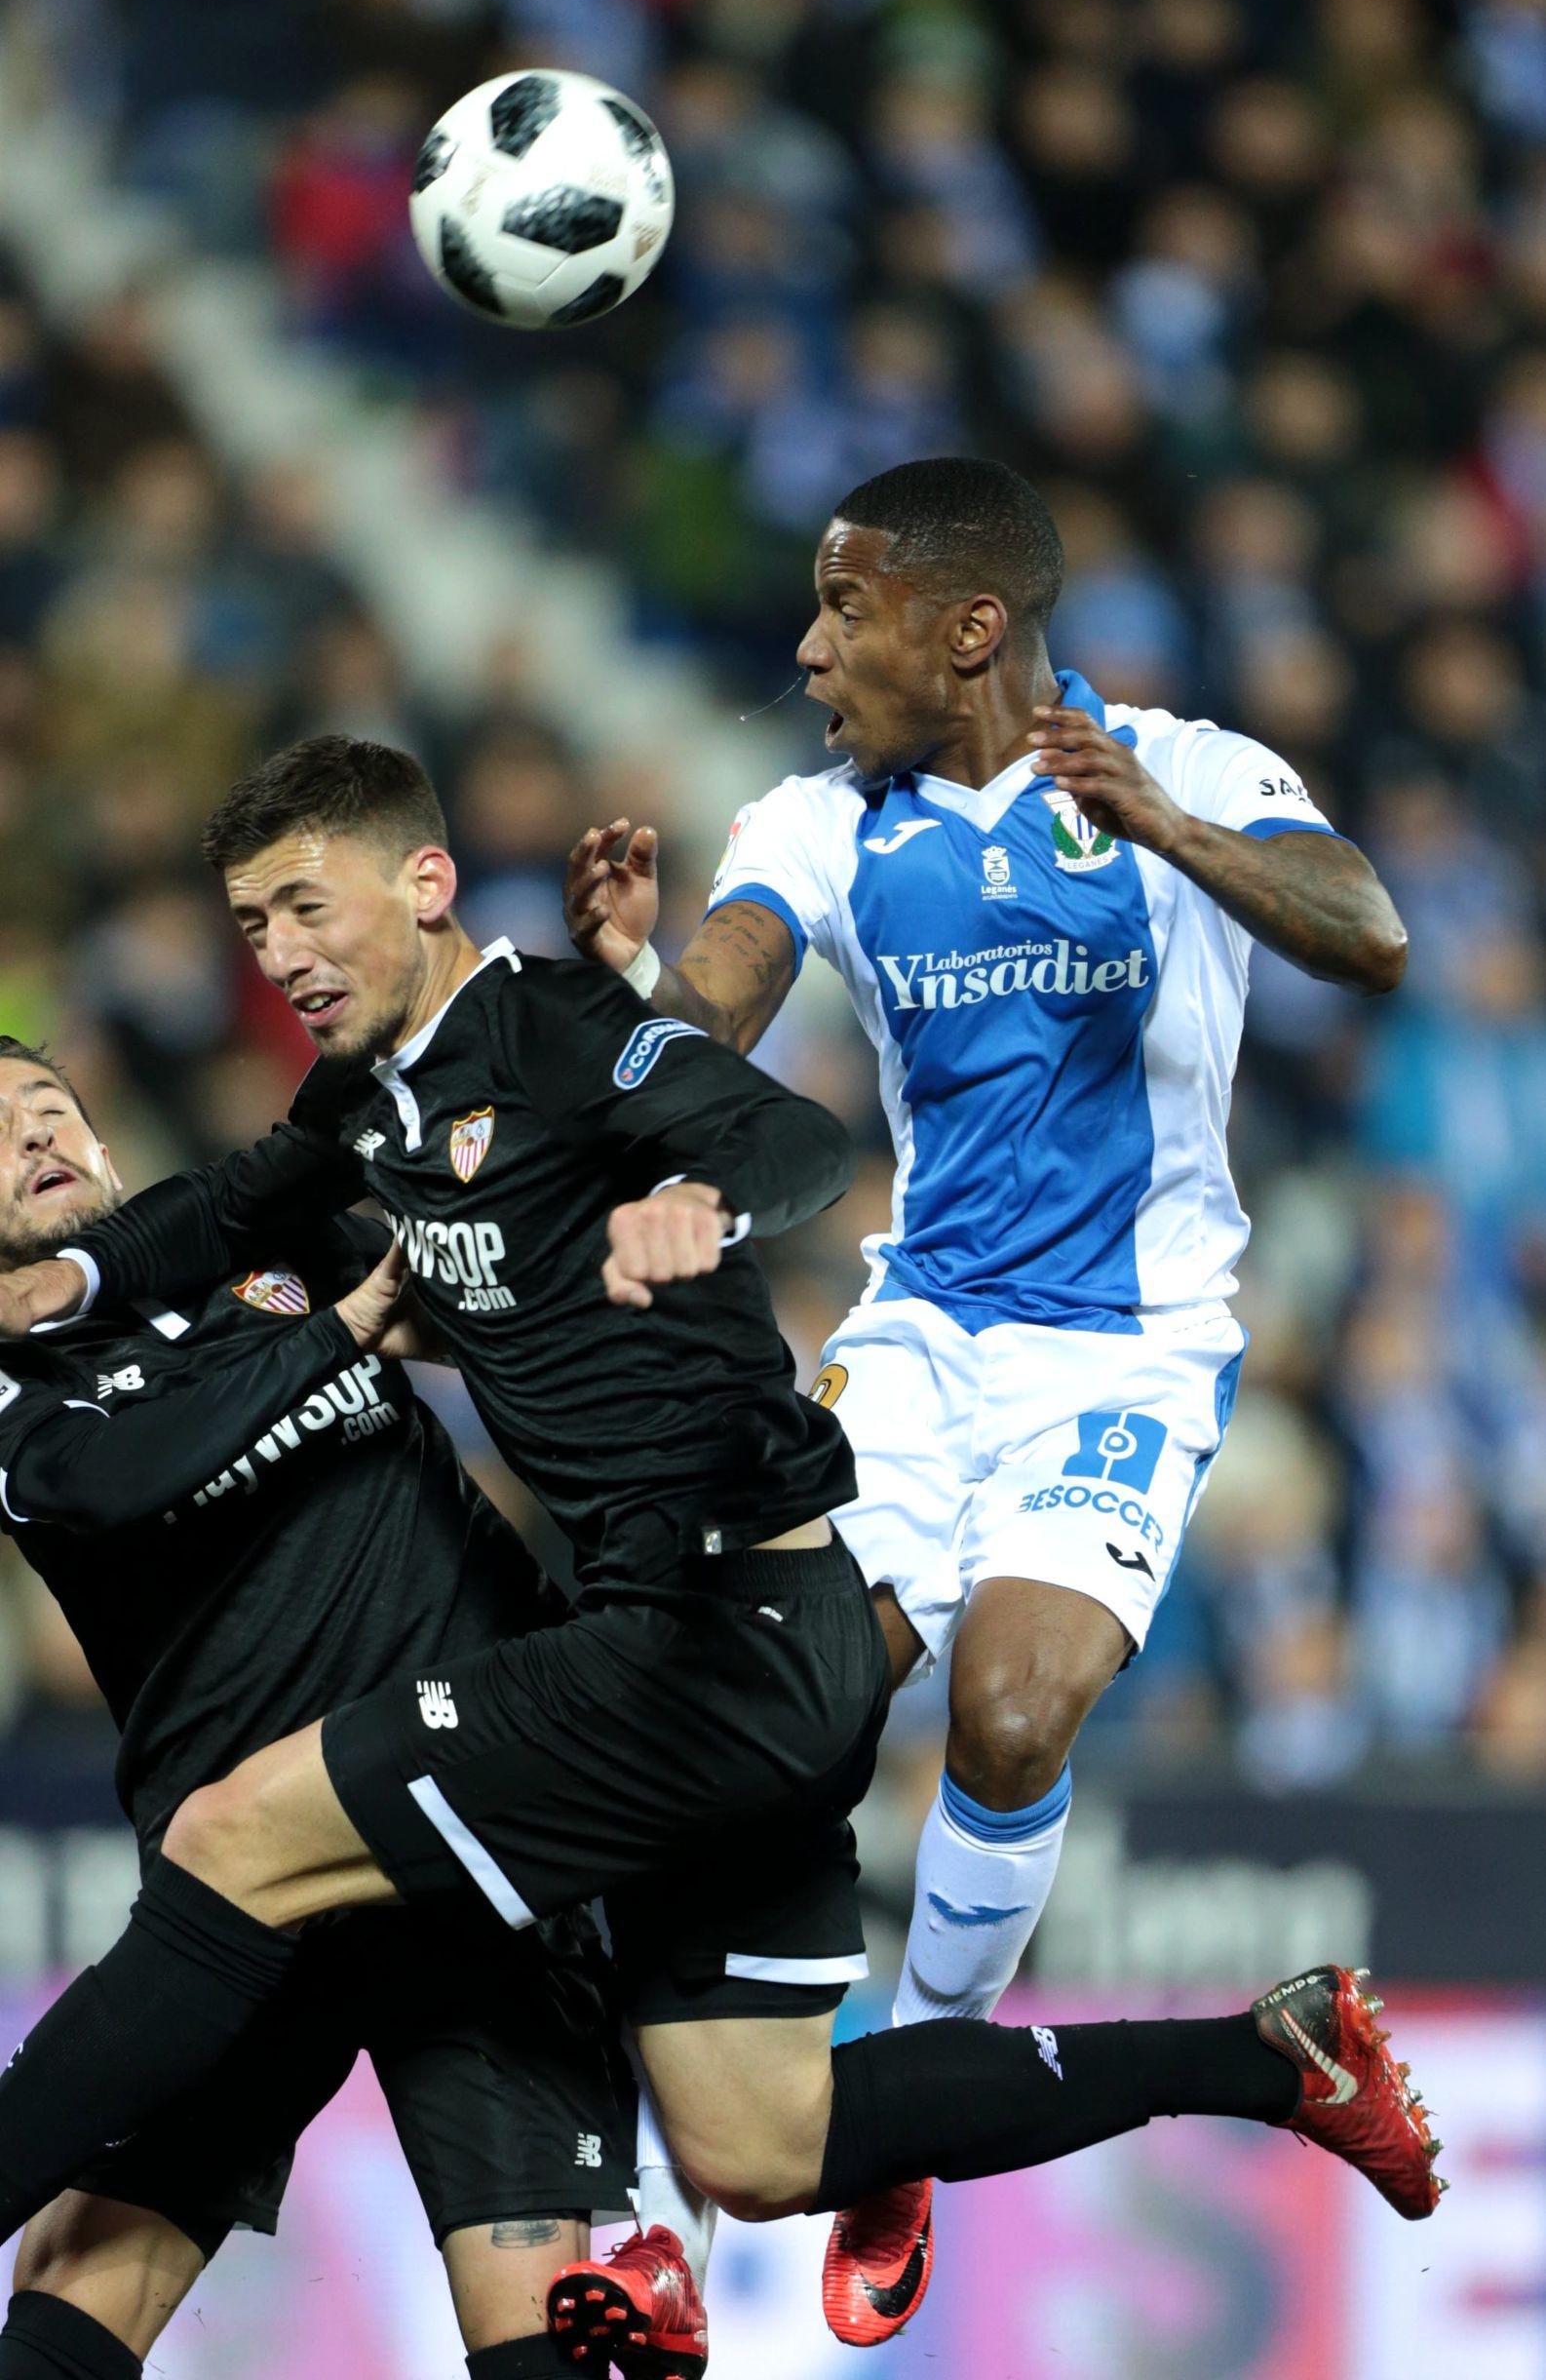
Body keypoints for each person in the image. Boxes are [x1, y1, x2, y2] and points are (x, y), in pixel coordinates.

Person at [0, 737, 1438, 2380]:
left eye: (305, 909)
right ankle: (1273, 2058)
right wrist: (85, 1285)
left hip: (698, 1635)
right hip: (703, 1655)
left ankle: (651, 2272)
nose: (281, 956)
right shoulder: (354, 1122)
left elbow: (790, 1145)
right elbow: (206, 1227)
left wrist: (696, 1194)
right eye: (255, 926)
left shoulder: (553, 1030)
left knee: (235, 1838)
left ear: (425, 883)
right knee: (761, 2141)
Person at [560, 453, 1411, 2344]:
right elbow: (718, 1002)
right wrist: (633, 994)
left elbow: (1368, 933)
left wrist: (1166, 833)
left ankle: (908, 2106)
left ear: (964, 630)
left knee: (1015, 1719)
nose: (806, 651)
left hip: (1129, 1345)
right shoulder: (817, 820)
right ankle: (647, 2217)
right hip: (922, 1337)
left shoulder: (1185, 763)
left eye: (841, 611)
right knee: (779, 1710)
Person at [0, 1035, 637, 2380]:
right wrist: (340, 1333)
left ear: (106, 1145)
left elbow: (488, 1306)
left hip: (472, 1842)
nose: (34, 1134)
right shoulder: (15, 1387)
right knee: (79, 2281)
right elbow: (119, 1479)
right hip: (251, 1899)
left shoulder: (268, 1241)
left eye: (49, 1107)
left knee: (536, 2310)